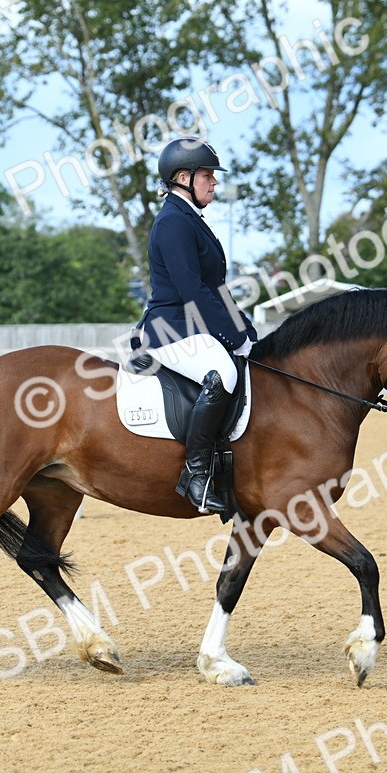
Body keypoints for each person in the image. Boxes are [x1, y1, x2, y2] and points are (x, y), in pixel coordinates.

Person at [138, 137, 256, 516]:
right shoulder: (173, 222)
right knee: (222, 373)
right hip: (169, 329)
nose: (214, 182)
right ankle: (197, 474)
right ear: (183, 177)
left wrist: (246, 330)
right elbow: (192, 291)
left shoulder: (191, 219)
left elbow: (216, 290)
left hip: (191, 328)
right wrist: (232, 337)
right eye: (208, 175)